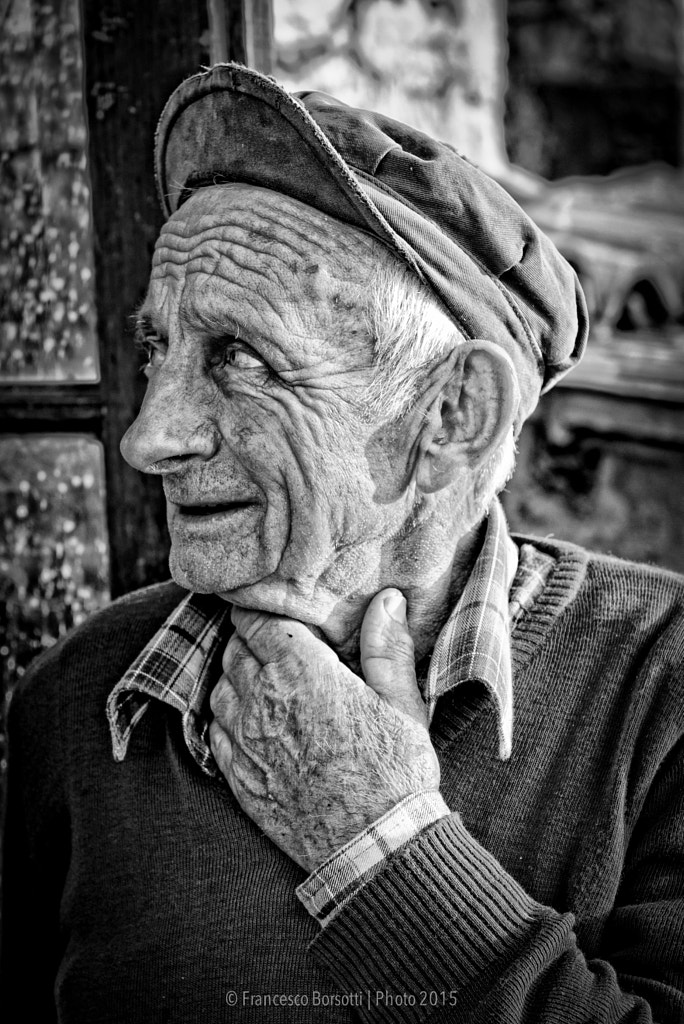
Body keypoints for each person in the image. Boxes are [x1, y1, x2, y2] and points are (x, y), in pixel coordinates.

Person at [2, 63, 683, 1024]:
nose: (149, 438)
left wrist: (380, 840)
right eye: (158, 351)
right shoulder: (74, 701)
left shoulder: (664, 686)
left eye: (239, 358)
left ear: (453, 414)